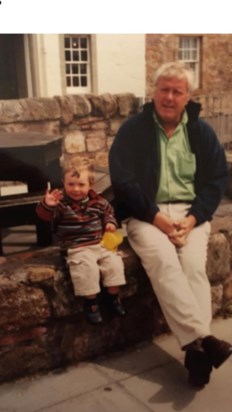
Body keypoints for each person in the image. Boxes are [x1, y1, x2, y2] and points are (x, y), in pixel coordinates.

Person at [109, 61, 232, 387]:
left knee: (192, 268)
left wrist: (192, 219)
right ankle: (204, 341)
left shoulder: (201, 131)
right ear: (154, 91)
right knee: (163, 262)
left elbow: (217, 179)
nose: (169, 96)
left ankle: (197, 352)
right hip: (146, 215)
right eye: (164, 89)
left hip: (190, 215)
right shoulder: (133, 129)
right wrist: (158, 218)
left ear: (187, 96)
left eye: (177, 91)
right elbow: (123, 181)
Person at [36, 157, 126, 324]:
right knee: (86, 268)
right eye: (71, 184)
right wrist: (47, 204)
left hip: (100, 244)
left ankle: (113, 297)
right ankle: (91, 303)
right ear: (63, 182)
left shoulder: (99, 202)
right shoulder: (61, 204)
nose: (76, 189)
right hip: (76, 247)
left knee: (114, 263)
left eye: (81, 184)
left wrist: (110, 223)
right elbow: (45, 216)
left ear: (91, 184)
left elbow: (108, 213)